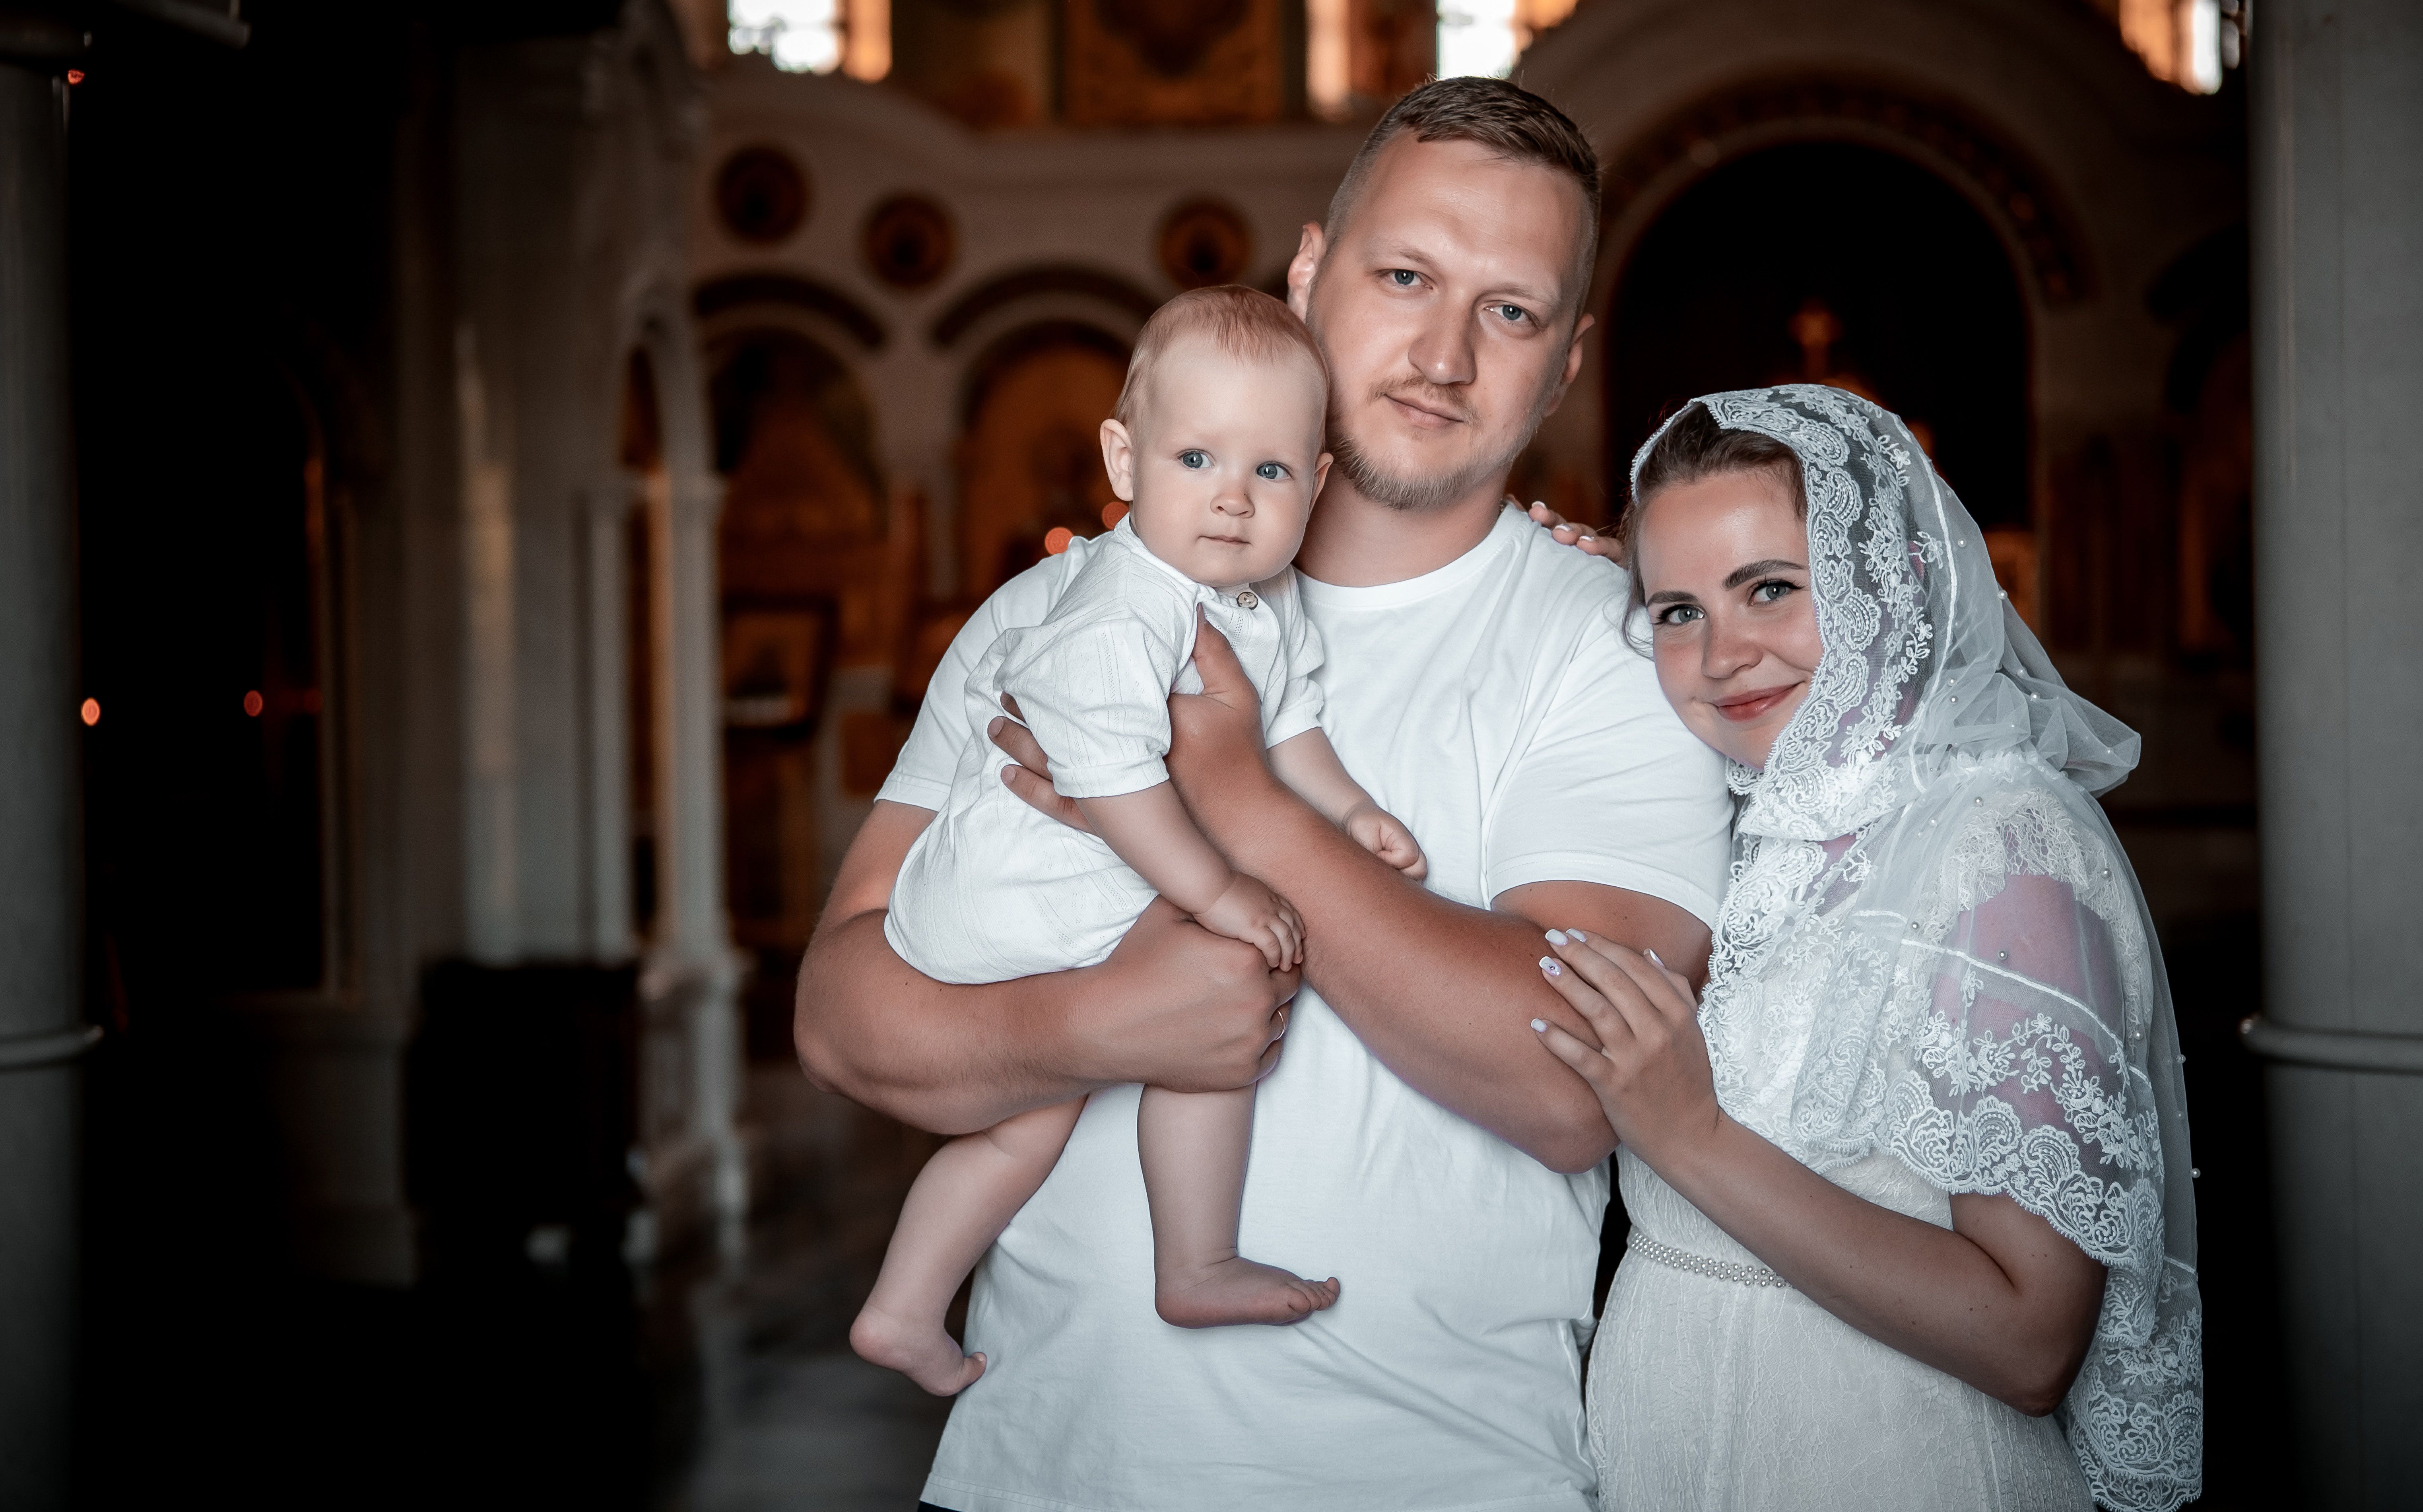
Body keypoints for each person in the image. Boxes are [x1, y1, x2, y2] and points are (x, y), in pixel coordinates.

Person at [795, 77, 1734, 1512]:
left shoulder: (1615, 650)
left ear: (1564, 364)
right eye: (1405, 275)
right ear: (1309, 276)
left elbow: (1573, 1088)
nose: (1442, 352)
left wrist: (1236, 796)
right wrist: (1094, 1025)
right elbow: (842, 1020)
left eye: (1512, 311)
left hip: (1432, 1477)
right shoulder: (1055, 609)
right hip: (1032, 1469)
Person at [1527, 386, 2202, 1511]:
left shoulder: (2001, 844)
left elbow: (2032, 1342)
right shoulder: (1742, 817)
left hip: (1891, 1455)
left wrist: (1688, 1135)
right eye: (1677, 611)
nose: (1721, 655)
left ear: (1893, 579)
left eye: (1773, 590)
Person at [852, 286, 1425, 1397]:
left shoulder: (1263, 604)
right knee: (1189, 1006)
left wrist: (1350, 813)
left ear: (1313, 484)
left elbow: (1287, 726)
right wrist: (1217, 890)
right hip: (1018, 899)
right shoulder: (1124, 603)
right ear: (1125, 460)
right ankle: (1148, 1267)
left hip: (1095, 893)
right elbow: (1108, 775)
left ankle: (924, 1304)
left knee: (1157, 1051)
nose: (1230, 500)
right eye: (1197, 460)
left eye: (1268, 473)